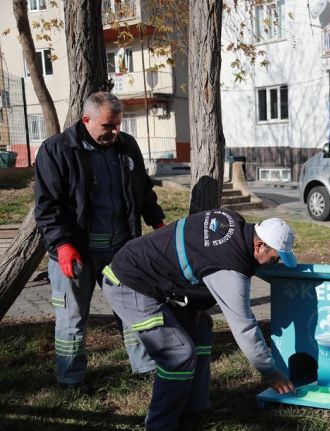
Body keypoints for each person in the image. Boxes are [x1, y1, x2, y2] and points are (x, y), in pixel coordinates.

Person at [100, 211, 297, 430]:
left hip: (149, 275)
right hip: (128, 285)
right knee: (178, 354)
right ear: (259, 246)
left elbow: (196, 256)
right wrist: (270, 372)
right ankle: (160, 425)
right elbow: (244, 328)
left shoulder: (234, 222)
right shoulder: (230, 269)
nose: (275, 262)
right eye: (275, 258)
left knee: (200, 328)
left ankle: (195, 409)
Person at [34, 91, 165, 390]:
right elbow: (47, 206)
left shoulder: (126, 146)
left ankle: (145, 368)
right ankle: (70, 380)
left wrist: (156, 220)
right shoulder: (56, 150)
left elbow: (142, 189)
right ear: (86, 120)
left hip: (121, 250)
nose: (115, 132)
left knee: (135, 310)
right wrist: (62, 245)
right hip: (75, 253)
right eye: (108, 126)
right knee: (72, 317)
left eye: (118, 125)